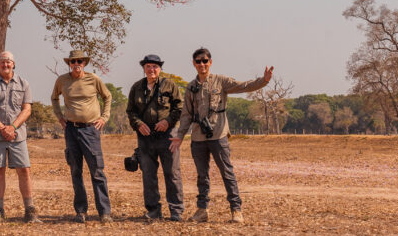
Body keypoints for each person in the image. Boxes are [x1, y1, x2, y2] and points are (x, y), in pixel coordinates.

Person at [170, 47, 273, 224]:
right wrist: (179, 136)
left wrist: (263, 81)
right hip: (198, 138)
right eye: (198, 61)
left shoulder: (221, 81)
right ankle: (202, 210)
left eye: (205, 60)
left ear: (210, 62)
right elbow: (186, 114)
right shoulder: (191, 87)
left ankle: (236, 210)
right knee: (202, 176)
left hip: (219, 135)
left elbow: (243, 86)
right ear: (194, 64)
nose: (202, 64)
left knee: (227, 172)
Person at [51, 48, 113, 223]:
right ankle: (80, 211)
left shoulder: (93, 79)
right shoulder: (62, 80)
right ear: (69, 64)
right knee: (75, 170)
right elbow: (54, 98)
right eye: (73, 62)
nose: (76, 64)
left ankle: (104, 212)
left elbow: (107, 97)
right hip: (71, 129)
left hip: (90, 130)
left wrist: (104, 117)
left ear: (84, 63)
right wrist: (60, 117)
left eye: (79, 61)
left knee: (97, 171)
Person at [0, 51, 38, 224]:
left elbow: (27, 109)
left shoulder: (23, 83)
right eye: (2, 62)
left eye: (8, 62)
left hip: (17, 136)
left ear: (14, 64)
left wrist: (12, 127)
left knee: (24, 171)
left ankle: (30, 211)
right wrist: (2, 128)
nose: (5, 65)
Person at [126, 53, 184, 222]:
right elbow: (131, 111)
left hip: (167, 135)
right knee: (148, 174)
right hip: (145, 137)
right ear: (144, 68)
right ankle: (153, 210)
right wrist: (138, 124)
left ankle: (176, 210)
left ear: (160, 69)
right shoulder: (136, 87)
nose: (151, 69)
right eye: (148, 66)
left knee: (172, 173)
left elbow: (179, 108)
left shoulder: (170, 85)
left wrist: (167, 121)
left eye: (155, 66)